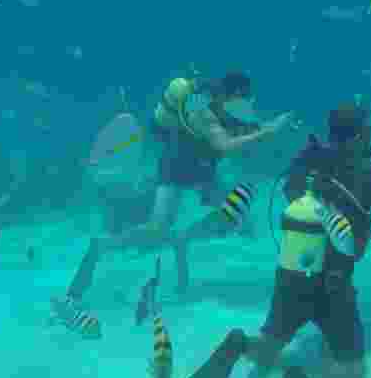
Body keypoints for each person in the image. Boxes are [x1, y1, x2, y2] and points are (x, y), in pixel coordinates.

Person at [245, 102, 371, 378]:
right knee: (352, 375)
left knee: (266, 349)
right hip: (333, 287)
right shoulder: (367, 172)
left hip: (290, 276)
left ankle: (237, 345)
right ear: (358, 137)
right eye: (368, 133)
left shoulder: (310, 159)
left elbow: (291, 194)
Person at [67, 72, 296, 299]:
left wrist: (264, 127)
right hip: (176, 166)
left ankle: (181, 246)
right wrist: (266, 132)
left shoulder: (222, 104)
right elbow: (223, 144)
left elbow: (235, 130)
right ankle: (102, 245)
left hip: (203, 167)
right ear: (234, 94)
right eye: (247, 98)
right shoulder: (201, 108)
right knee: (156, 229)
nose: (250, 103)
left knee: (234, 216)